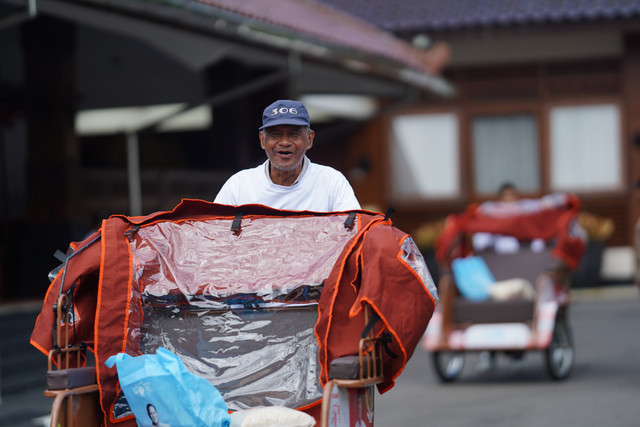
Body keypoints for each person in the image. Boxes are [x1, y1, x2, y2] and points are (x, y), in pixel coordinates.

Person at [214, 99, 361, 212]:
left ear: (309, 139)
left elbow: (352, 234)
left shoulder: (331, 182)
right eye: (275, 134)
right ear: (262, 140)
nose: (284, 142)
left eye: (293, 134)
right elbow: (214, 236)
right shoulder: (239, 185)